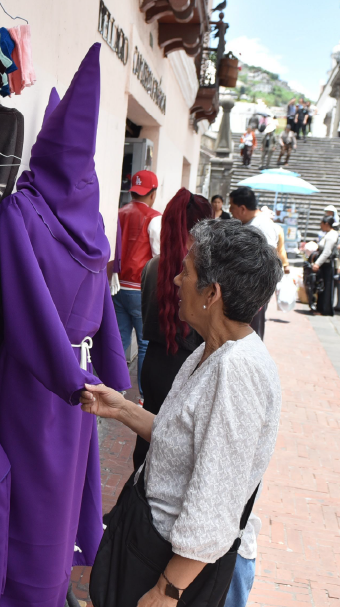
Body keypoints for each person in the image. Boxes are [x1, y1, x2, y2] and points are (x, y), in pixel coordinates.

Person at [83, 218, 283, 607]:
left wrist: (166, 590)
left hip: (166, 565)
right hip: (147, 539)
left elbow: (217, 499)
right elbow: (182, 438)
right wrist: (122, 409)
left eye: (186, 272)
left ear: (212, 293)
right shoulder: (211, 351)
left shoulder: (236, 371)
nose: (175, 280)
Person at [132, 189, 213, 469]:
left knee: (146, 442)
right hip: (185, 368)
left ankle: (134, 506)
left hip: (154, 365)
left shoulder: (153, 267)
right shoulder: (202, 275)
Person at [115, 170, 162, 386]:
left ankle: (112, 386)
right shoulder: (155, 218)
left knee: (117, 341)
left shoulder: (118, 212)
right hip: (141, 289)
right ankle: (143, 395)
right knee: (144, 344)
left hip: (116, 286)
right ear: (153, 194)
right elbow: (159, 256)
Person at [228, 187, 290, 340]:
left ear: (242, 208)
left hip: (253, 292)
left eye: (232, 207)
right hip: (246, 291)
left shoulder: (260, 226)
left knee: (249, 335)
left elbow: (266, 262)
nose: (230, 211)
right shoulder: (251, 224)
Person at [310, 216, 340, 316]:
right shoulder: (328, 234)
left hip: (327, 264)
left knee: (326, 288)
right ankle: (320, 308)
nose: (320, 226)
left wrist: (317, 263)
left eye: (321, 223)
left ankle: (324, 310)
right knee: (321, 287)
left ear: (326, 224)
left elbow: (327, 252)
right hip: (324, 264)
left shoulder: (332, 235)